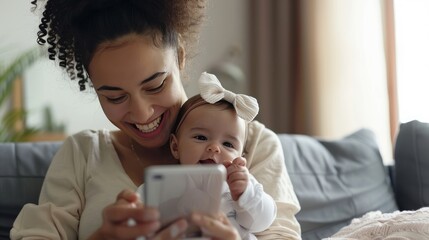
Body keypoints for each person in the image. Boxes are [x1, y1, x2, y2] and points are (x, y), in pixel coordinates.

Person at [11, 0, 301, 239]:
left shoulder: (252, 143)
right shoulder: (83, 154)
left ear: (181, 58)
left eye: (155, 86)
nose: (142, 113)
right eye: (115, 97)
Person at [169, 72, 277, 240]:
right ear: (176, 146)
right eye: (201, 137)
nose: (214, 148)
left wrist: (244, 195)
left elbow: (263, 222)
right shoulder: (164, 182)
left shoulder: (238, 183)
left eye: (228, 144)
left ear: (240, 155)